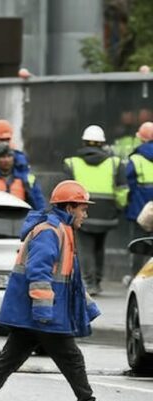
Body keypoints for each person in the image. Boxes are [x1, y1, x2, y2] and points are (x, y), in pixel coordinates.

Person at [0, 180, 129, 401]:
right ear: (70, 206)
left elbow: (69, 280)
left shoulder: (61, 230)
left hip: (35, 313)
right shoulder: (50, 231)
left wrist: (88, 307)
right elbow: (39, 272)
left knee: (9, 360)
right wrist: (43, 311)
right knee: (72, 359)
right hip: (42, 314)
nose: (85, 214)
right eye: (83, 209)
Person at [63, 124, 127, 295]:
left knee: (86, 248)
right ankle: (97, 280)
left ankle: (90, 283)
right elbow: (122, 192)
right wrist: (118, 208)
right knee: (100, 246)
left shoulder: (72, 163)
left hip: (82, 212)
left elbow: (67, 189)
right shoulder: (115, 163)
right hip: (107, 215)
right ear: (103, 143)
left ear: (84, 142)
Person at [0, 142, 45, 210]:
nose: (6, 160)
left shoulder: (27, 179)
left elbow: (39, 205)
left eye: (9, 156)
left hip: (21, 218)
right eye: (2, 157)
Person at [126, 122, 153, 278]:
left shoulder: (136, 158)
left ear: (142, 139)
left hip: (140, 210)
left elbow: (129, 184)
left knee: (139, 246)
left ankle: (137, 277)